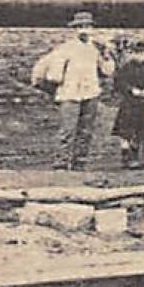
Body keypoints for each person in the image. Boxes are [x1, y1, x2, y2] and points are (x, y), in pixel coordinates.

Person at [32, 11, 116, 170]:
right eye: (80, 27)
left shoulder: (95, 48)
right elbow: (53, 75)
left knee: (86, 130)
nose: (84, 30)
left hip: (91, 92)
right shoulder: (65, 49)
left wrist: (106, 55)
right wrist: (59, 84)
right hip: (70, 93)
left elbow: (107, 71)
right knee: (68, 130)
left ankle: (80, 162)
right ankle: (61, 163)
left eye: (88, 27)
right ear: (74, 29)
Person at [111, 38, 144, 168]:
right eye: (137, 53)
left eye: (143, 53)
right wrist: (131, 90)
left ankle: (135, 156)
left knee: (142, 129)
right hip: (129, 103)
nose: (140, 56)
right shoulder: (126, 67)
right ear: (132, 53)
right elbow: (119, 82)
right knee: (126, 129)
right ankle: (125, 155)